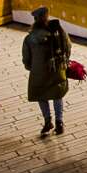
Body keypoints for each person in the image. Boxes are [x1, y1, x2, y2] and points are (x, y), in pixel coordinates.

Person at [20, 7, 69, 137]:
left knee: (41, 95)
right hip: (57, 69)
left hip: (39, 71)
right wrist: (64, 62)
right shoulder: (58, 31)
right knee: (57, 94)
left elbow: (26, 57)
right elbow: (67, 46)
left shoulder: (30, 38)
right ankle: (59, 122)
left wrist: (31, 67)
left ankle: (48, 121)